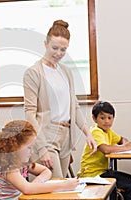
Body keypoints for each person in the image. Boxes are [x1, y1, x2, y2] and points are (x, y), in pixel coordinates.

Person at [23, 19, 97, 178]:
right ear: (45, 44)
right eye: (54, 48)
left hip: (66, 136)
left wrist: (88, 133)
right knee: (54, 187)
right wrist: (41, 147)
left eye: (63, 49)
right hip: (46, 134)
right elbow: (30, 114)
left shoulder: (66, 72)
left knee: (61, 187)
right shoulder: (34, 72)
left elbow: (74, 106)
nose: (58, 53)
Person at [0, 120, 79, 199]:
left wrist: (36, 183)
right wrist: (63, 185)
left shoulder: (21, 163)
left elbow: (46, 171)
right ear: (14, 146)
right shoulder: (9, 167)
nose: (32, 152)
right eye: (29, 148)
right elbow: (27, 189)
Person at [79, 101, 131, 199]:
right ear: (94, 118)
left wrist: (124, 143)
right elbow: (105, 149)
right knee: (130, 186)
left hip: (103, 172)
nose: (106, 121)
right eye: (102, 118)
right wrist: (125, 147)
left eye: (109, 118)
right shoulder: (95, 131)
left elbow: (121, 139)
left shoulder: (108, 131)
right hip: (93, 175)